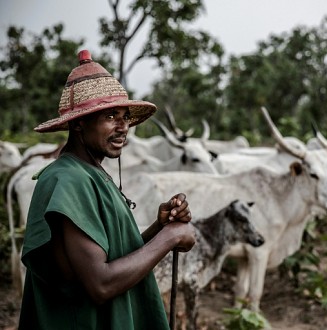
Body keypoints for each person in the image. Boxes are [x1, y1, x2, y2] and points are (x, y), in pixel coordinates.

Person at [18, 50, 196, 330]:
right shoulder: (67, 180)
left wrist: (159, 229)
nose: (122, 127)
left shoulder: (91, 173)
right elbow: (100, 282)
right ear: (78, 123)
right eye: (110, 116)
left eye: (125, 117)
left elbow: (106, 253)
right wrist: (170, 239)